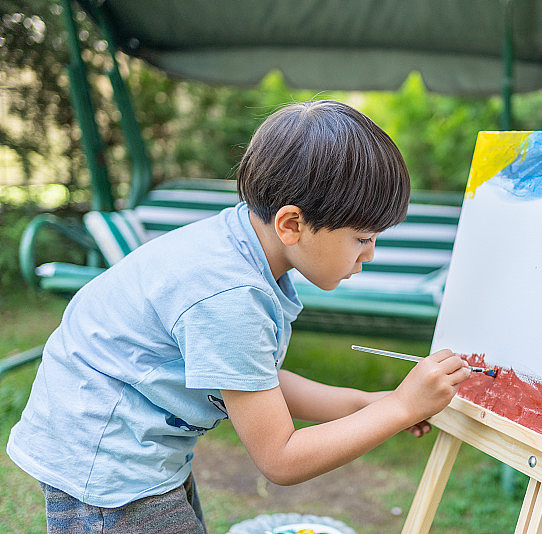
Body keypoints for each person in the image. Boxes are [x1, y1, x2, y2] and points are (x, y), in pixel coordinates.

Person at [7, 100, 472, 533]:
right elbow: (281, 459)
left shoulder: (243, 246)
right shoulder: (229, 292)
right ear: (292, 224)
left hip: (130, 449)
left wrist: (369, 403)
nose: (369, 254)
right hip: (108, 466)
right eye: (362, 238)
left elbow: (255, 383)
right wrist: (399, 408)